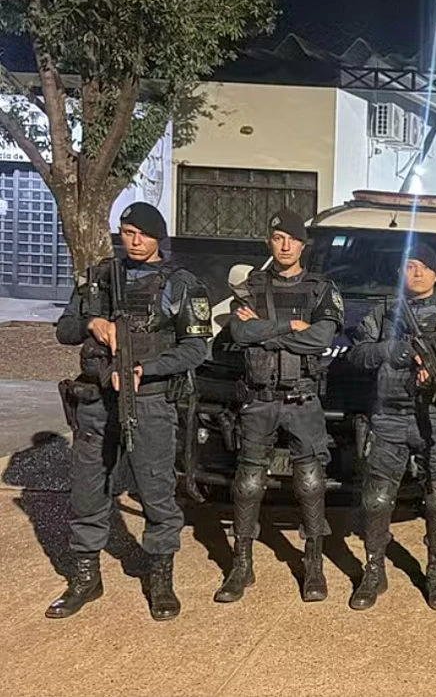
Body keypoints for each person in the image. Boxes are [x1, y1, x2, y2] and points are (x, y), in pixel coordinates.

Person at [48, 202, 211, 621]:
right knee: (88, 490)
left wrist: (146, 370)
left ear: (159, 237)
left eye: (143, 234)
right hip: (96, 402)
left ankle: (161, 579)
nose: (135, 242)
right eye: (127, 232)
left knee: (156, 493)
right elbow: (64, 329)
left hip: (150, 401)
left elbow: (196, 348)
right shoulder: (100, 278)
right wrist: (93, 324)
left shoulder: (180, 284)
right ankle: (86, 577)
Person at [345, 243, 436, 611]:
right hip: (389, 416)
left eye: (424, 267)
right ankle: (373, 570)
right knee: (377, 498)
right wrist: (387, 351)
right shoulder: (382, 313)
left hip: (435, 416)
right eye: (410, 266)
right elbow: (356, 353)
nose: (417, 273)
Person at [213, 209, 343, 604]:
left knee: (310, 481)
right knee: (248, 483)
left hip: (302, 398)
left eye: (292, 239)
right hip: (259, 398)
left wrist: (266, 333)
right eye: (277, 238)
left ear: (303, 244)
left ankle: (314, 564)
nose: (285, 246)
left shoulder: (321, 289)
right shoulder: (252, 286)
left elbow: (321, 338)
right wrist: (289, 327)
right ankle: (241, 565)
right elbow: (241, 332)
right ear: (269, 242)